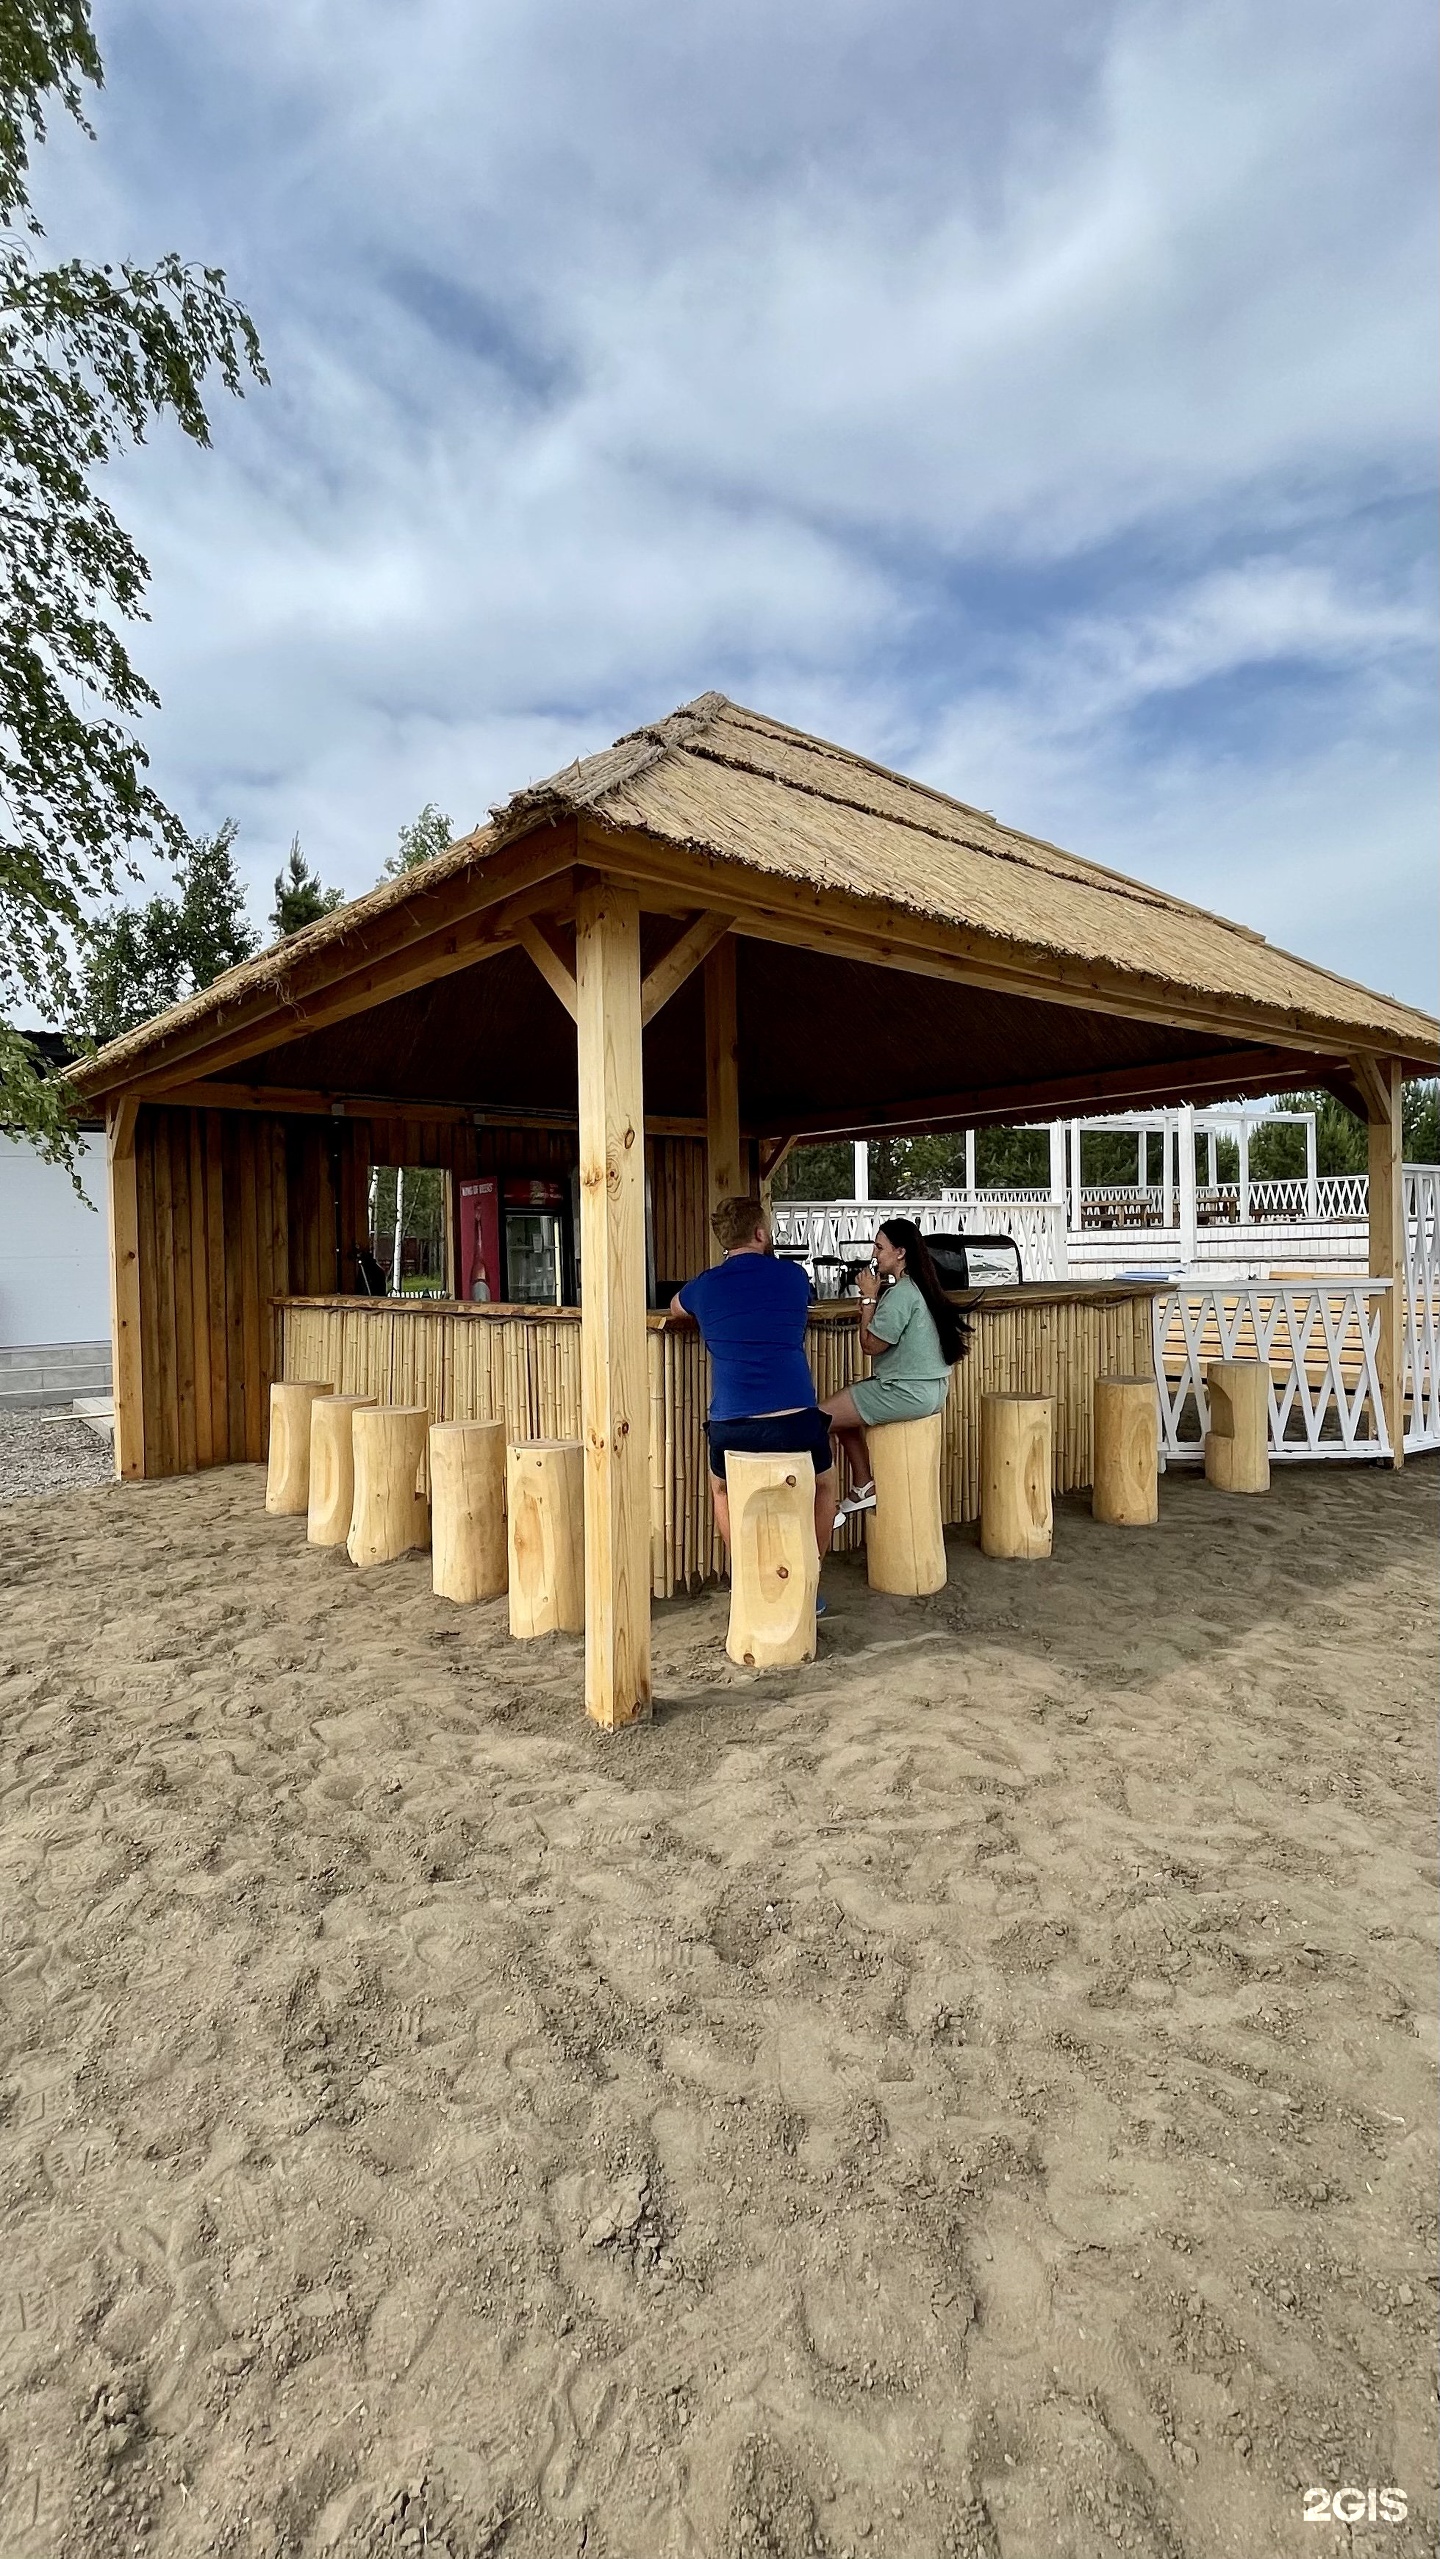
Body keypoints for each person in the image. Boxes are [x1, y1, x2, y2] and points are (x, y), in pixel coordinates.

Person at [671, 1195, 839, 1567]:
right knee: (825, 1484)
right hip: (796, 1422)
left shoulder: (705, 1285)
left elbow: (674, 1307)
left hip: (733, 1427)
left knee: (721, 1489)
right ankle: (809, 1579)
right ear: (761, 1233)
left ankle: (747, 1581)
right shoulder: (793, 1276)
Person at [821, 1216, 970, 1515]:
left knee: (818, 1419)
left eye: (879, 1247)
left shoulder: (901, 1294)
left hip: (904, 1393)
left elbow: (870, 1346)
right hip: (930, 1391)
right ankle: (863, 1486)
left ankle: (832, 1503)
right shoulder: (922, 1287)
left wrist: (867, 1299)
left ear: (900, 1252)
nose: (874, 1254)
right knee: (841, 1413)